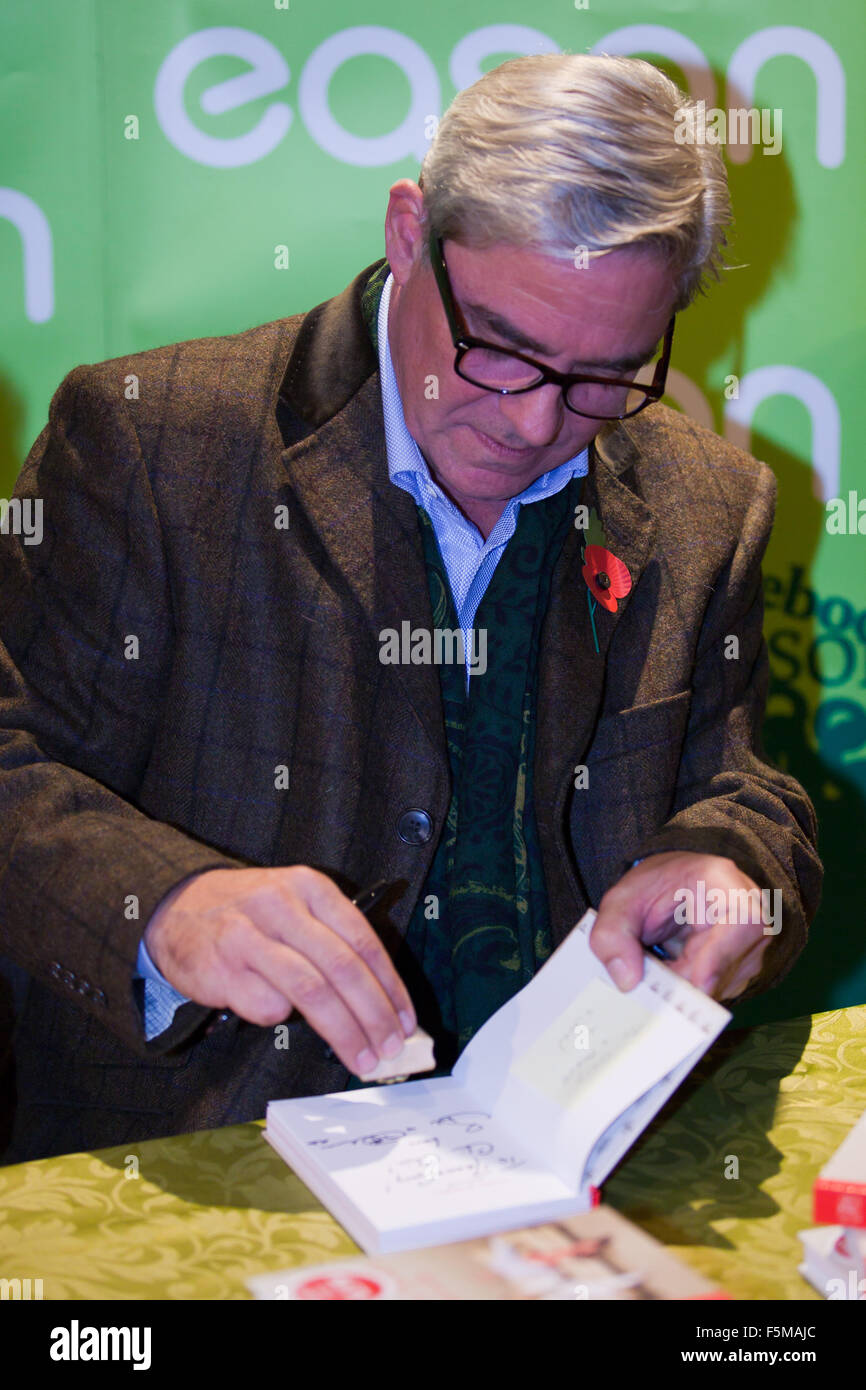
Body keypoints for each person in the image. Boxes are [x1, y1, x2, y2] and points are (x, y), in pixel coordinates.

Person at [0, 53, 821, 1163]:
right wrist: (163, 903)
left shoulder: (703, 501)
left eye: (604, 375)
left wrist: (732, 863)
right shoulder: (151, 444)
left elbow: (739, 785)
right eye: (500, 349)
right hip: (203, 1162)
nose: (535, 425)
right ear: (406, 231)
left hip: (570, 1170)